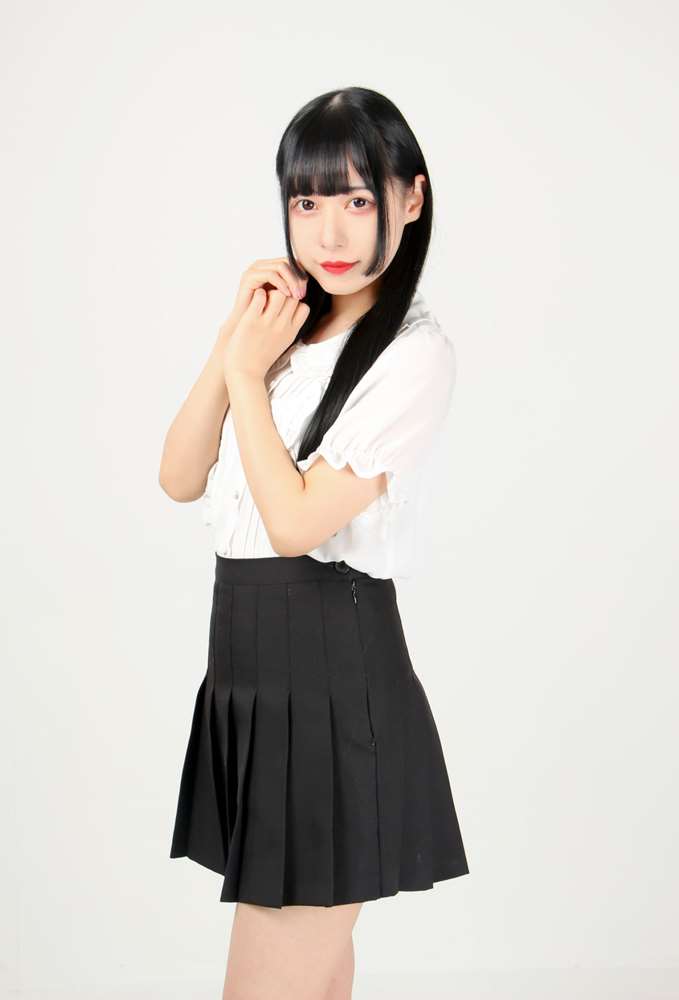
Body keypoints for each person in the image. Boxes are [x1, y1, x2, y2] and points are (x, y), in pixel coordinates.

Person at [159, 86, 469, 1000]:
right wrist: (234, 346)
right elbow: (179, 475)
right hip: (251, 672)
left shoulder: (411, 351)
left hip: (329, 676)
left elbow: (296, 524)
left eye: (357, 199)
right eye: (306, 201)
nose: (328, 232)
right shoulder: (280, 333)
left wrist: (248, 374)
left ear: (410, 199)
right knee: (311, 980)